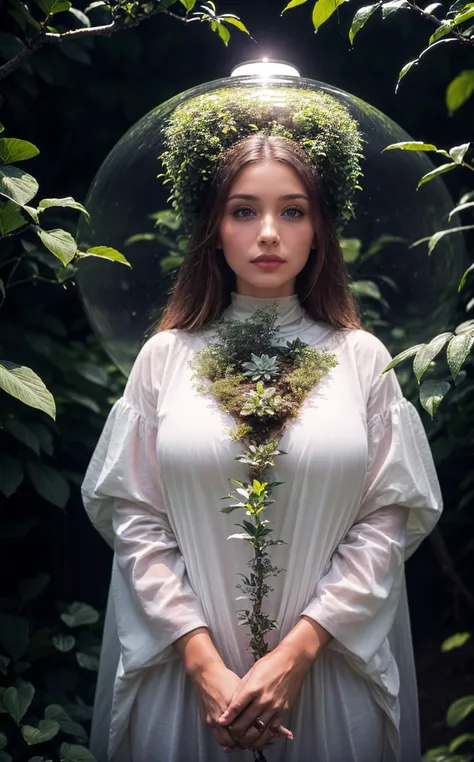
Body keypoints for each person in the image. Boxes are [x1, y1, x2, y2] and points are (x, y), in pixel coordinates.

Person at [81, 134, 442, 762]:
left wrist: (297, 654)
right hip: (188, 681)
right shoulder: (164, 359)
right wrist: (202, 663)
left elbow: (388, 517)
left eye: (293, 211)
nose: (268, 233)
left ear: (320, 230)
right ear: (214, 229)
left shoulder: (362, 361)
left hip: (327, 675)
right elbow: (134, 514)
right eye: (244, 210)